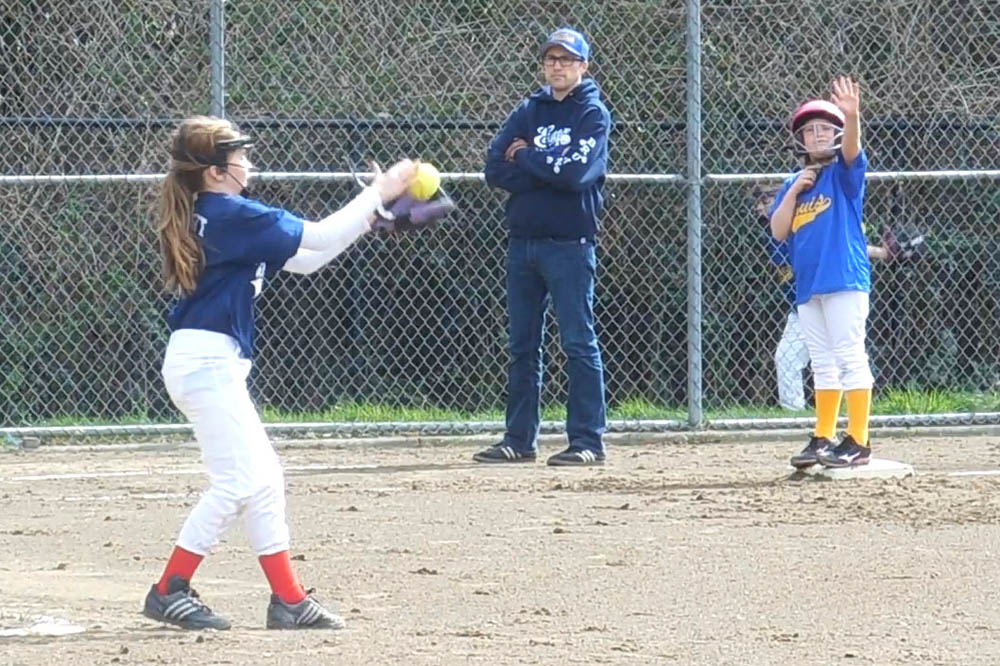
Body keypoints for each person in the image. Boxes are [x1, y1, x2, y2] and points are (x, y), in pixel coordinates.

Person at [144, 115, 416, 630]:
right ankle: (168, 589)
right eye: (239, 156)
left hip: (206, 362)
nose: (248, 163)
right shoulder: (232, 212)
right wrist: (378, 194)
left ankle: (288, 601)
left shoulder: (220, 213)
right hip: (206, 364)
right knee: (237, 484)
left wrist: (370, 218)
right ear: (216, 171)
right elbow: (322, 232)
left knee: (264, 480)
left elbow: (308, 259)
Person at [475, 27, 611, 467]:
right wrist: (545, 168)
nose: (557, 66)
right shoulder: (528, 110)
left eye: (566, 59)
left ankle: (587, 441)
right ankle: (519, 439)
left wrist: (525, 157)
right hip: (523, 243)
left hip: (570, 244)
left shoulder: (592, 113)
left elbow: (575, 175)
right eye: (551, 59)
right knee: (522, 345)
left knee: (578, 342)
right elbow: (494, 169)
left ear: (583, 66)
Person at [769, 77, 876, 469]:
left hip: (844, 279)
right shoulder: (793, 183)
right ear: (800, 140)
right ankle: (824, 436)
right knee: (822, 361)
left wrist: (852, 117)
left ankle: (859, 440)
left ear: (836, 134)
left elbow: (852, 150)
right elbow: (778, 230)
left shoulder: (843, 175)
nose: (817, 135)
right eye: (810, 130)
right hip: (809, 286)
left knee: (849, 355)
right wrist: (794, 192)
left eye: (825, 129)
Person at [753, 185, 889, 412]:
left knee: (842, 356)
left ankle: (848, 410)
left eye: (766, 201)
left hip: (830, 295)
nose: (759, 208)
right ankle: (799, 412)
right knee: (810, 360)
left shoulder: (806, 222)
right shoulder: (777, 232)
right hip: (803, 304)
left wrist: (880, 253)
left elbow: (838, 245)